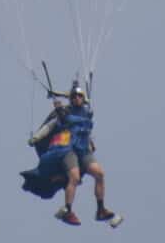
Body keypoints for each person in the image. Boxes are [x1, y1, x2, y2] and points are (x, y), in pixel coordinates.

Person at [22, 82, 117, 227]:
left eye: (79, 96)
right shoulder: (63, 114)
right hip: (68, 149)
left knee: (100, 174)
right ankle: (68, 210)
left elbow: (84, 131)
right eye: (74, 96)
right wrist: (36, 137)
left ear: (83, 98)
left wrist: (91, 144)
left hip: (83, 150)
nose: (76, 98)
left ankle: (100, 210)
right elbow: (50, 126)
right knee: (74, 177)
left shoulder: (87, 114)